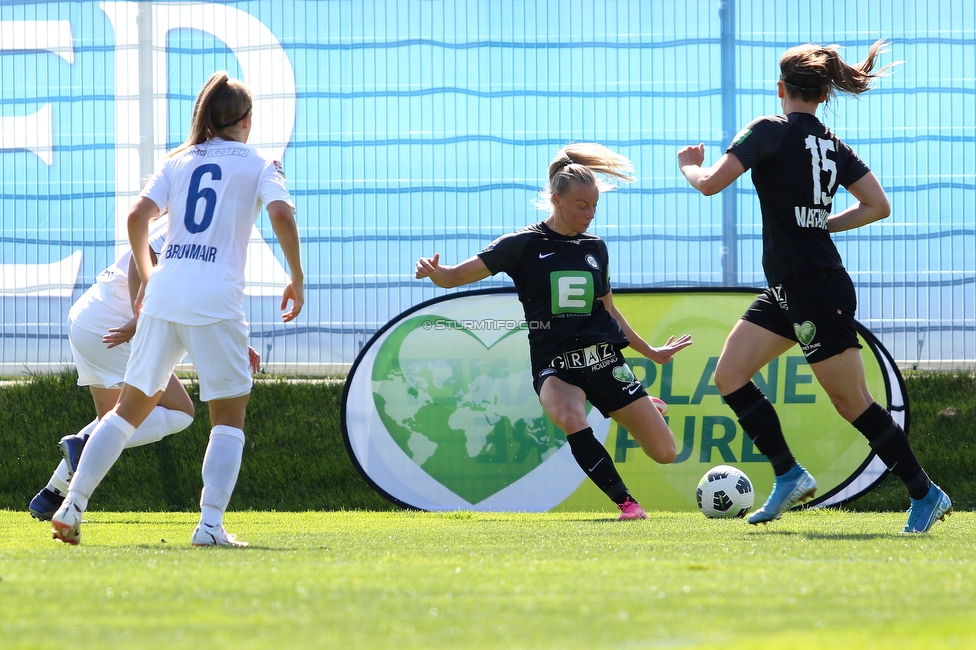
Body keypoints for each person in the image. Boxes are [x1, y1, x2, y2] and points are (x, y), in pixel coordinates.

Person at [677, 39, 951, 533]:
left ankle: (925, 492)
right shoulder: (833, 145)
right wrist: (823, 224)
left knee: (853, 403)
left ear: (780, 88)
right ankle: (789, 474)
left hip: (815, 288)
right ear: (824, 94)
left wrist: (688, 166)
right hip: (792, 285)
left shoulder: (767, 130)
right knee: (730, 375)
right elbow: (877, 205)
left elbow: (710, 183)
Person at [51, 70, 304, 546]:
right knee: (227, 419)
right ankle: (209, 526)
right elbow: (281, 214)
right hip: (216, 299)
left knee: (125, 413)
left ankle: (71, 505)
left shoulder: (179, 160)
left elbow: (135, 219)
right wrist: (296, 277)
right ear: (246, 121)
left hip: (165, 296)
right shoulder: (260, 162)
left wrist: (149, 282)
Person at [416, 143, 692, 520]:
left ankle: (634, 403)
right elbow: (454, 277)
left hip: (604, 359)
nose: (590, 214)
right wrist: (437, 273)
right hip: (554, 365)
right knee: (571, 417)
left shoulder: (595, 247)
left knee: (665, 452)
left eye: (595, 206)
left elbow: (609, 310)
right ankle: (628, 505)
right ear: (556, 199)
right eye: (583, 206)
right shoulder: (522, 245)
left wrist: (651, 352)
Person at [29, 214, 197, 521]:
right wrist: (140, 316)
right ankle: (85, 448)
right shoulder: (197, 221)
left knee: (109, 419)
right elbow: (141, 255)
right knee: (180, 413)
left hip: (88, 318)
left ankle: (52, 495)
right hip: (115, 326)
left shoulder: (193, 215)